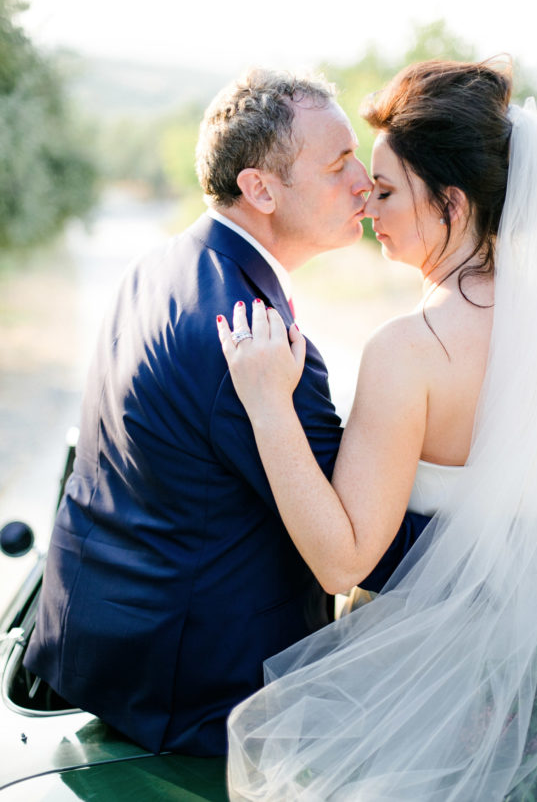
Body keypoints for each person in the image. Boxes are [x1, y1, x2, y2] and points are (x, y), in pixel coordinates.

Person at [23, 69, 430, 757]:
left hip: (100, 646)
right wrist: (506, 558)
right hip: (191, 684)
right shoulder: (248, 335)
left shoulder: (162, 265)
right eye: (338, 164)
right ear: (261, 189)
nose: (364, 182)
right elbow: (358, 539)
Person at [218, 61, 537, 799]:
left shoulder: (411, 348)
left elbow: (342, 563)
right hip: (529, 666)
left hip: (423, 680)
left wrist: (267, 405)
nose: (367, 202)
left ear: (451, 202)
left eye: (387, 191)